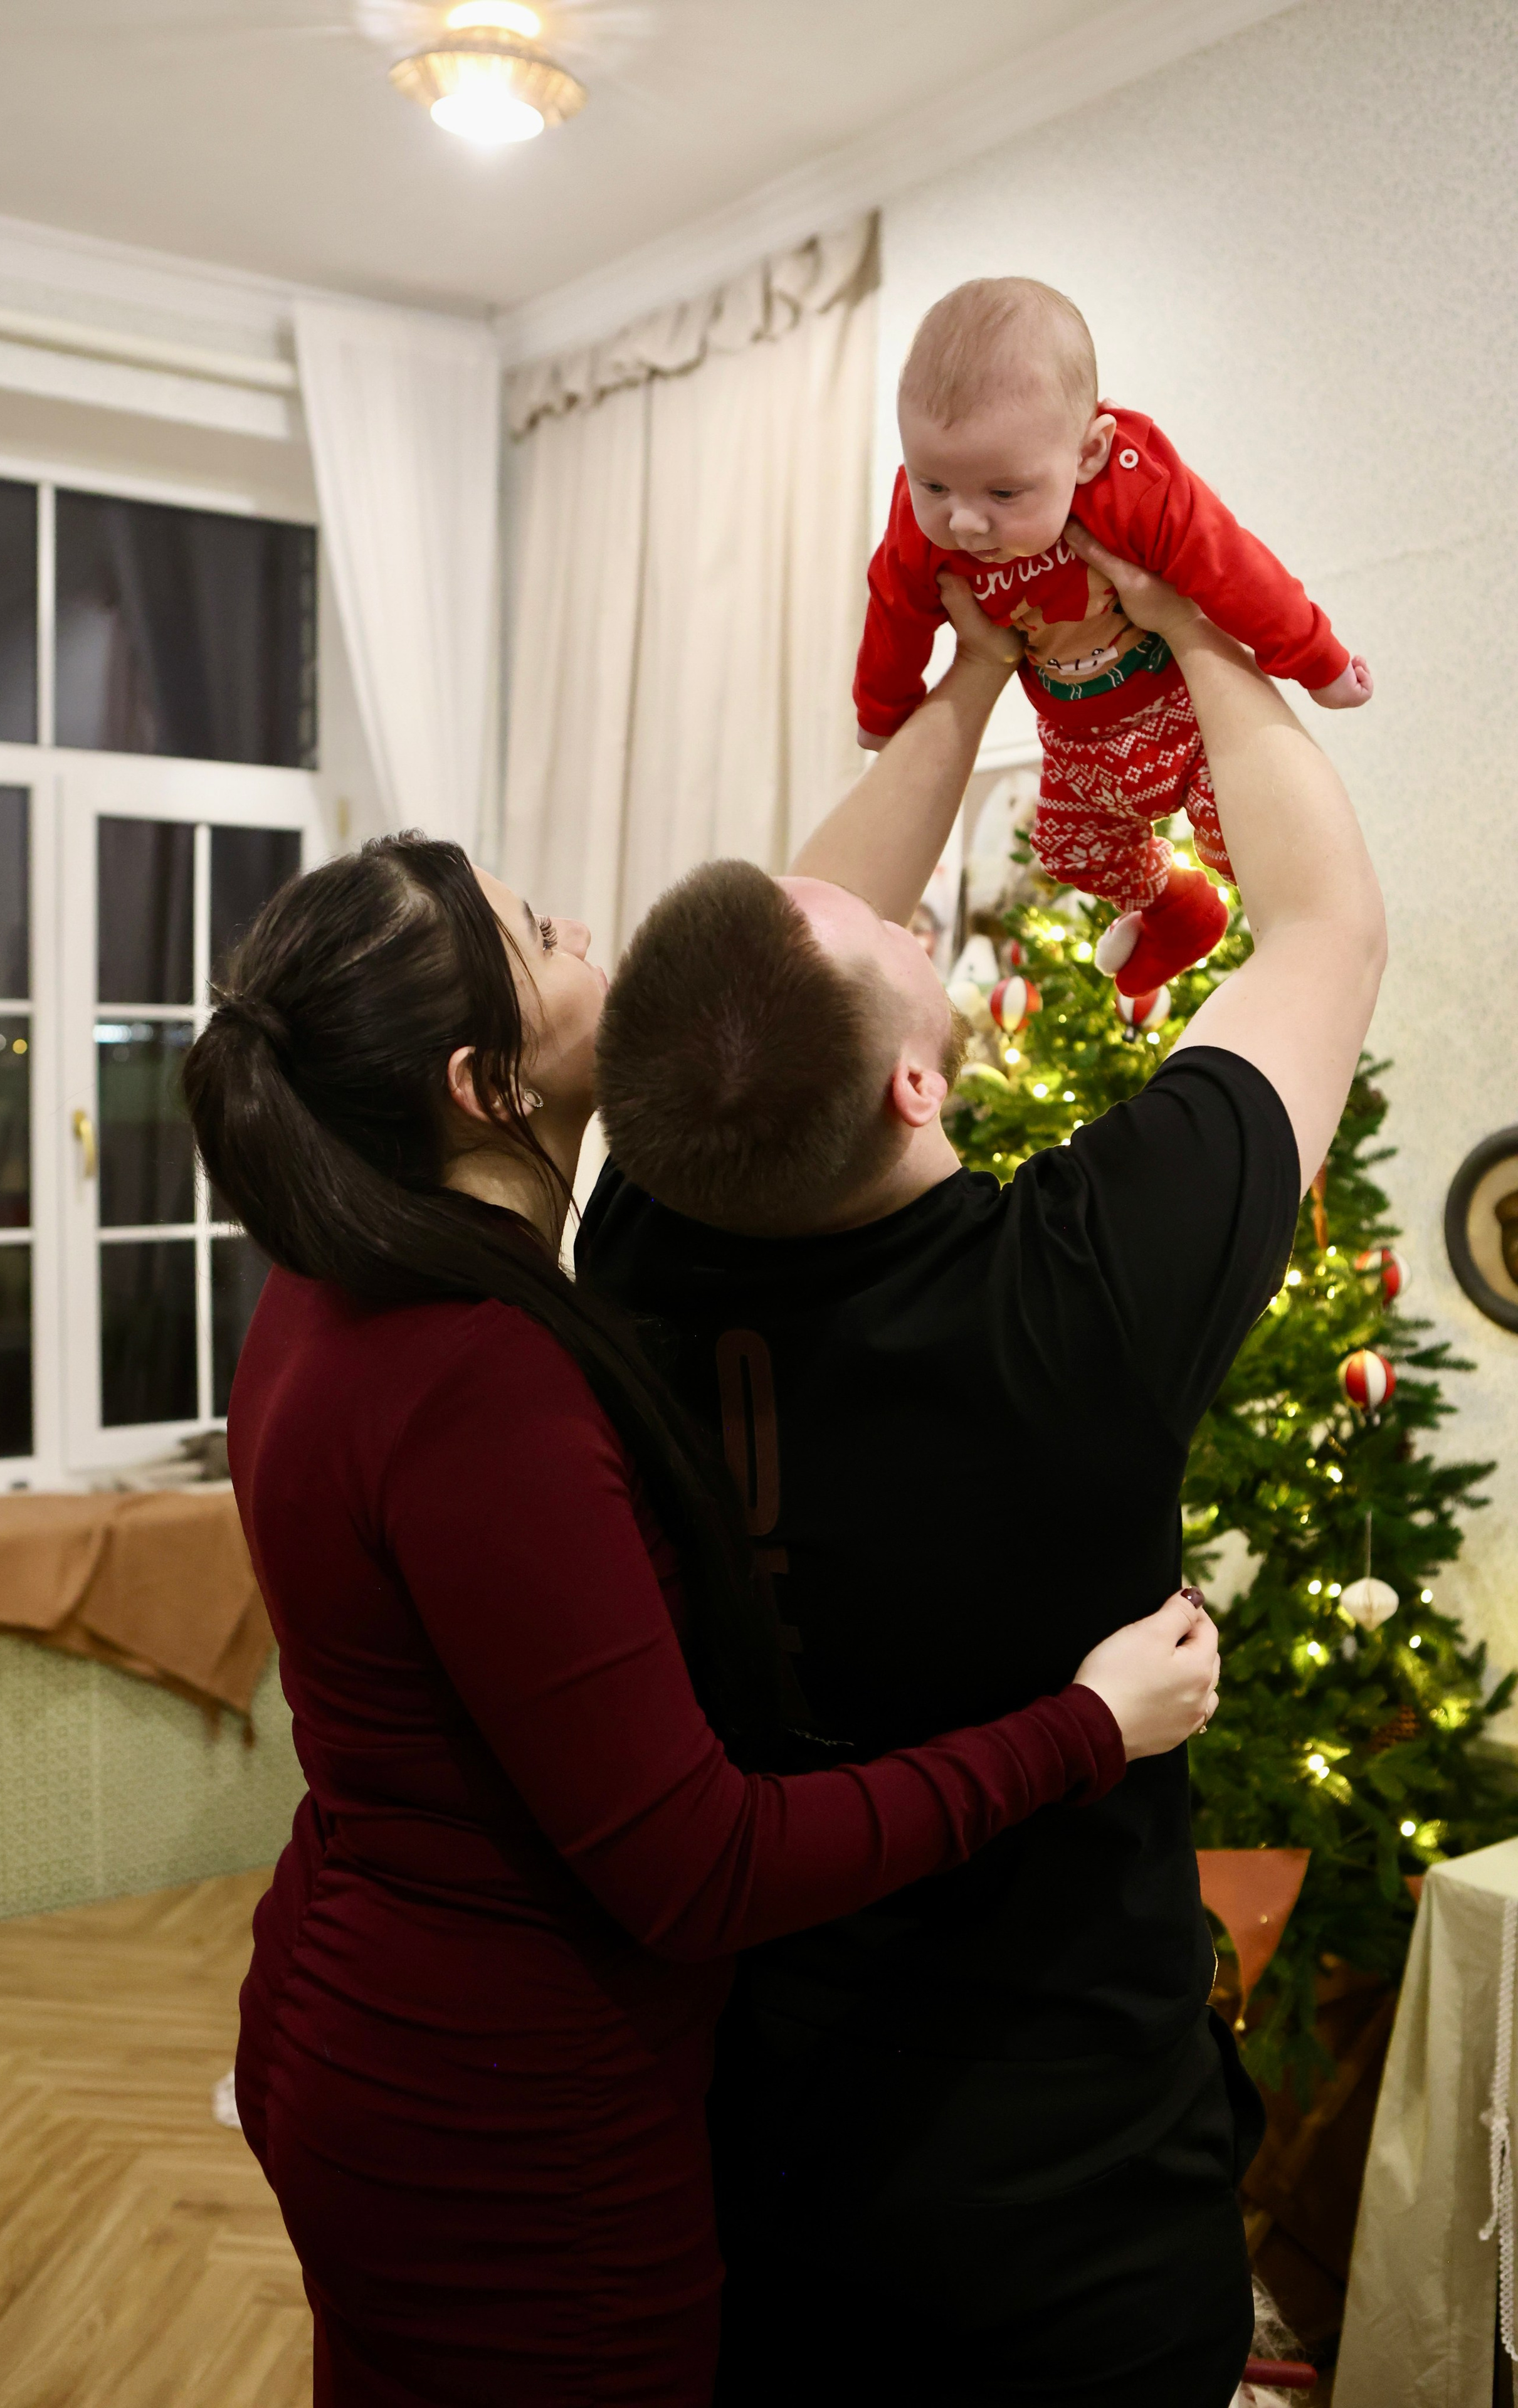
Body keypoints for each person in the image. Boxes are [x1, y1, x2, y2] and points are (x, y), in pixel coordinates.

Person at [180, 660, 1221, 2405]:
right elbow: (699, 1868)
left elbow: (798, 953)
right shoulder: (480, 1376)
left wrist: (969, 680)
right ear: (483, 1083)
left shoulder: (336, 1267)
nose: (596, 929)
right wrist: (1085, 1730)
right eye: (543, 937)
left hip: (366, 2014)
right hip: (501, 2120)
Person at [581, 533, 1387, 2406]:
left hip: (774, 2166)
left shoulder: (640, 1240)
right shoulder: (1074, 1298)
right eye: (896, 949)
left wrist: (962, 677)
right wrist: (1194, 626)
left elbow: (776, 951)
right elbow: (1325, 928)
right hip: (1074, 2215)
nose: (912, 919)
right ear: (911, 1088)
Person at [853, 277, 1372, 995]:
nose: (964, 522)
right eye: (932, 484)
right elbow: (894, 612)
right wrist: (883, 713)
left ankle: (1291, 968)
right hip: (1075, 740)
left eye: (1004, 494)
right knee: (1066, 847)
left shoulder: (1133, 482)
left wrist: (1319, 660)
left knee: (1247, 834)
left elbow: (1230, 564)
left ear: (1089, 452)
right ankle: (1175, 911)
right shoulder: (922, 526)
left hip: (1184, 718)